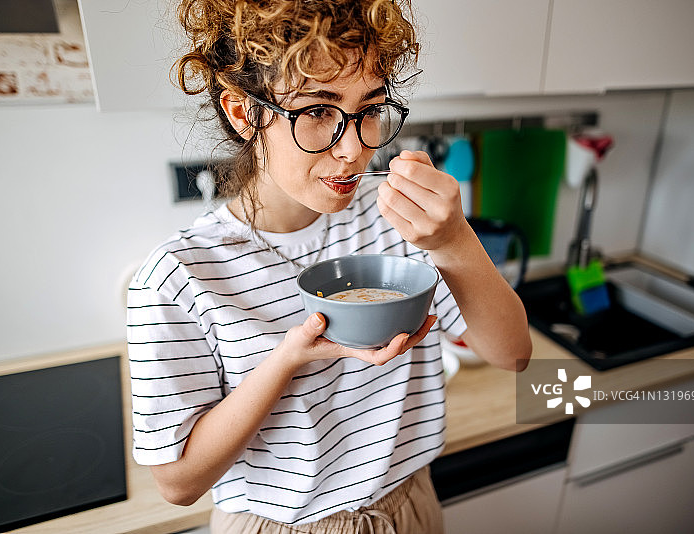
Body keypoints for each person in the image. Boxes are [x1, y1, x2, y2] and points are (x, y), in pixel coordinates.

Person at [126, 1, 532, 532]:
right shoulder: (179, 277)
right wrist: (287, 359)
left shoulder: (397, 218)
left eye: (370, 109)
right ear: (243, 113)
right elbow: (178, 484)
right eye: (318, 111)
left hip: (410, 507)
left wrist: (455, 240)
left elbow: (513, 354)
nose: (354, 150)